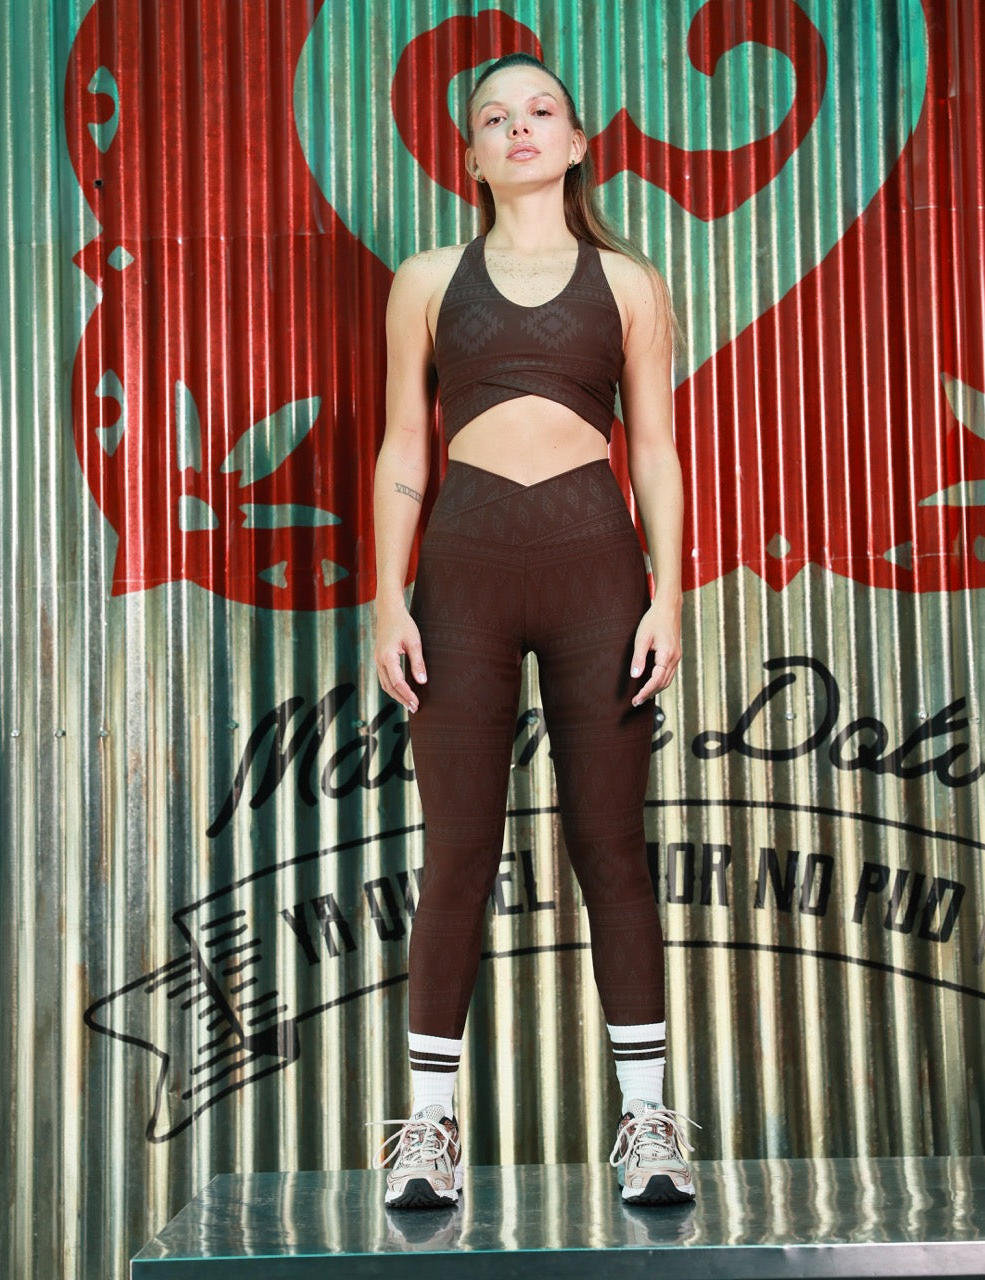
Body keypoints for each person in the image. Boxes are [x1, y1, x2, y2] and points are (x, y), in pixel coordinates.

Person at [368, 51, 697, 1210]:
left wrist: (667, 594)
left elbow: (652, 447)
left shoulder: (629, 284)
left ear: (574, 141)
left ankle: (647, 1122)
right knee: (459, 849)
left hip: (594, 574)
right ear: (469, 156)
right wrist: (385, 593)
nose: (517, 128)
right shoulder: (424, 279)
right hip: (459, 576)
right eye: (493, 118)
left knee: (608, 846)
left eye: (539, 111)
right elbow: (403, 443)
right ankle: (425, 1128)